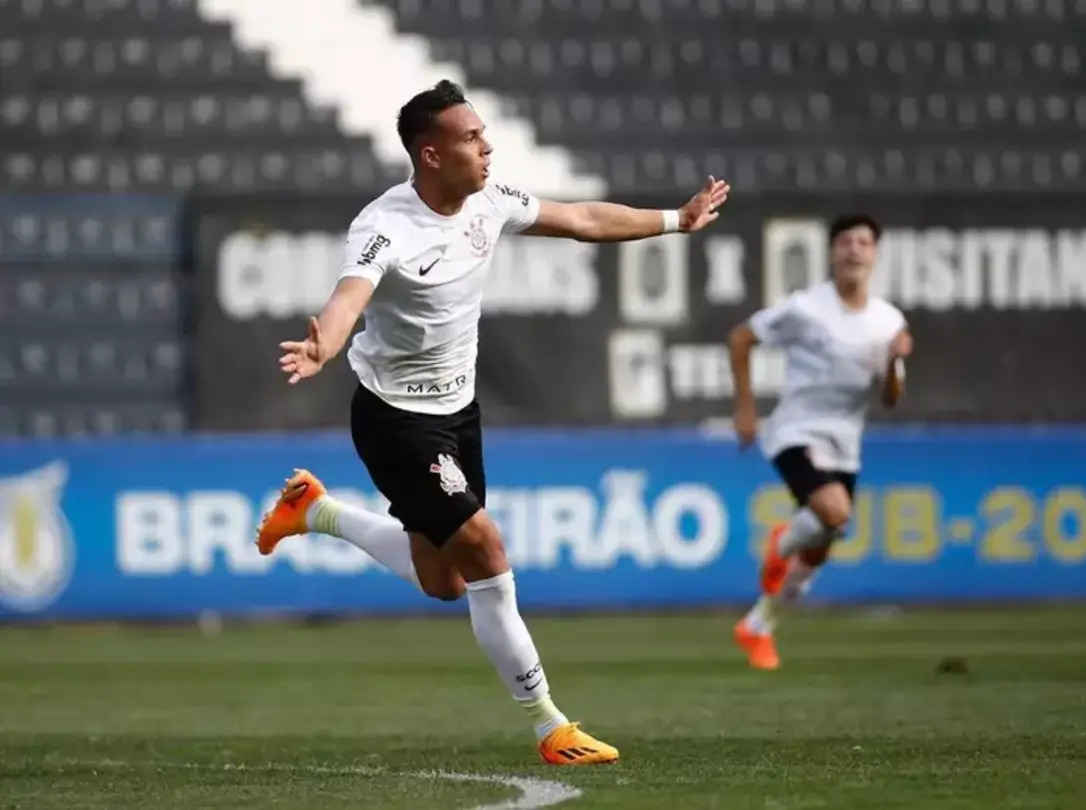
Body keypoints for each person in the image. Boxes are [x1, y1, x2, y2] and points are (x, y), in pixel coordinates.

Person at [254, 80, 730, 765]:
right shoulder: (383, 226)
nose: (487, 146)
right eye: (471, 138)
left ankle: (316, 512)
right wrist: (323, 344)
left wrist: (674, 221)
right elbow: (348, 298)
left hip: (458, 414)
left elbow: (583, 219)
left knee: (444, 581)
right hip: (395, 419)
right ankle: (551, 726)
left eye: (483, 134)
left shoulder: (491, 201)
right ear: (431, 154)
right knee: (486, 550)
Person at [728, 214, 911, 671]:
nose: (855, 250)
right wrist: (746, 408)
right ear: (833, 252)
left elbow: (890, 399)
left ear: (874, 254)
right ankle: (781, 540)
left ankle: (758, 626)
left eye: (864, 242)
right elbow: (741, 338)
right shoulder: (806, 308)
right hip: (797, 430)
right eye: (846, 241)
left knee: (823, 544)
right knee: (835, 513)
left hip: (846, 441)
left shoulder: (888, 321)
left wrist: (893, 363)